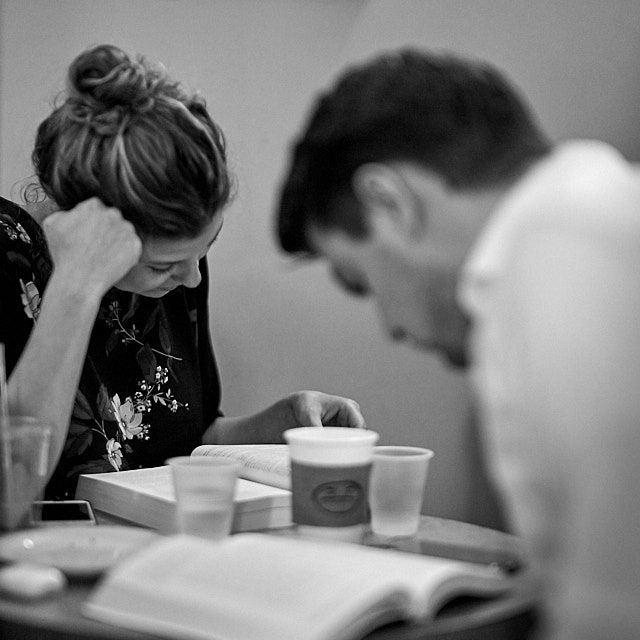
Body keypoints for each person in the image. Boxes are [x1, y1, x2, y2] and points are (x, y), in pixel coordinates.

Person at [275, 49, 640, 639]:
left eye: (361, 282)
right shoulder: (593, 213)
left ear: (390, 203)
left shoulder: (561, 261)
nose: (391, 328)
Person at [0, 43, 364, 502]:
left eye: (204, 250)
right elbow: (9, 489)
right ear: (95, 226)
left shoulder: (178, 278)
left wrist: (281, 422)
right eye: (163, 265)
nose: (191, 278)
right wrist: (77, 286)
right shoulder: (10, 254)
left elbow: (185, 441)